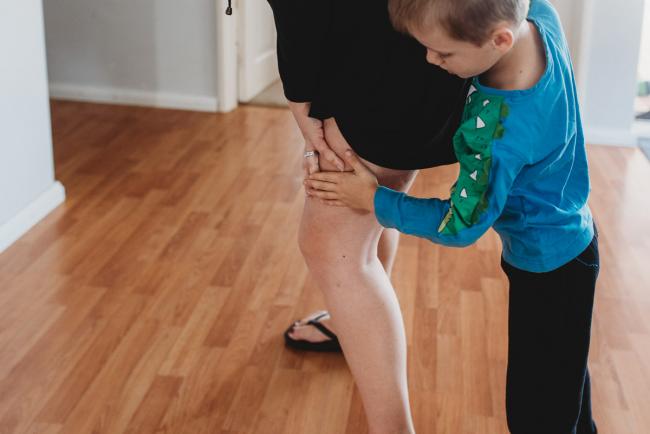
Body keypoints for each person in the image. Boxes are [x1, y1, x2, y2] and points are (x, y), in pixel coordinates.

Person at [305, 0, 599, 432]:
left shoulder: (497, 131)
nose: (430, 60)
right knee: (566, 383)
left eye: (444, 54)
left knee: (538, 413)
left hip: (548, 271)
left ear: (498, 39)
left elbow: (459, 225)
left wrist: (374, 200)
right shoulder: (539, 20)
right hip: (575, 242)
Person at [265, 0, 468, 432]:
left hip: (378, 70)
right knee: (363, 226)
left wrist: (301, 105)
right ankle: (348, 325)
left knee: (333, 249)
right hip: (424, 56)